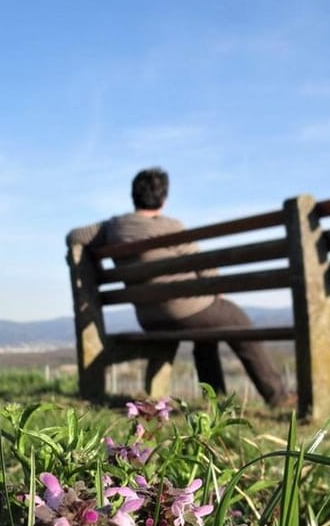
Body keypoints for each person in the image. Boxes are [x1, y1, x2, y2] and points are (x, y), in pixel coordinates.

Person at [66, 167, 293, 408]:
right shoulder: (170, 226)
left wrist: (97, 261)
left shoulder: (112, 228)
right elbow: (203, 265)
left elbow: (74, 236)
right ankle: (279, 397)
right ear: (164, 199)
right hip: (186, 310)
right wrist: (217, 291)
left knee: (207, 334)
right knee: (238, 321)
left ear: (134, 196)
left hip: (149, 317)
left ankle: (215, 400)